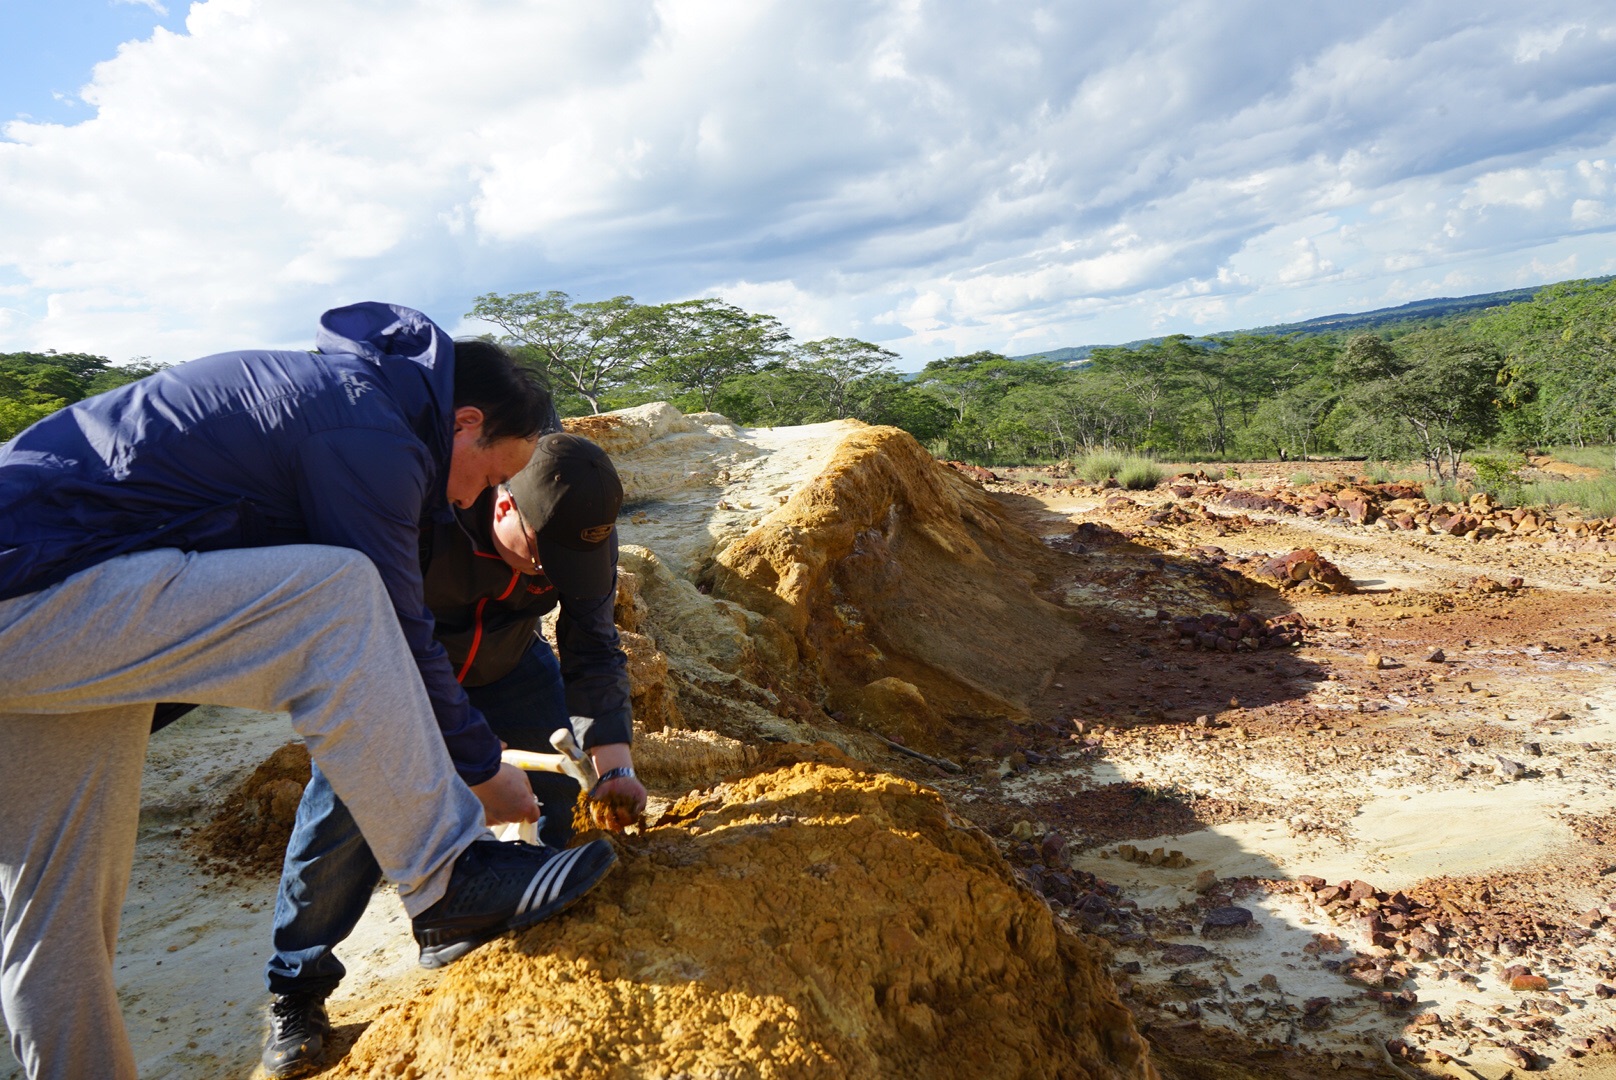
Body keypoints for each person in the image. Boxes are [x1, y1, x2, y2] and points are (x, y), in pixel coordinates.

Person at [0, 303, 617, 1080]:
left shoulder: (347, 401)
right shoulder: (370, 431)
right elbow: (385, 622)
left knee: (58, 914)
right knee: (337, 593)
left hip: (61, 616)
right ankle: (448, 878)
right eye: (490, 477)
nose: (470, 500)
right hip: (33, 588)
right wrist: (478, 768)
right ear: (465, 423)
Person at [260, 433, 647, 1076]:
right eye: (542, 557)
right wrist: (477, 759)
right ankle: (296, 989)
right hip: (395, 670)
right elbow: (393, 653)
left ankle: (526, 910)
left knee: (555, 794)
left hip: (511, 662)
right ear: (501, 507)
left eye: (568, 565)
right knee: (343, 821)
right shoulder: (419, 521)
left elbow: (595, 650)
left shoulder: (579, 543)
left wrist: (616, 767)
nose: (551, 576)